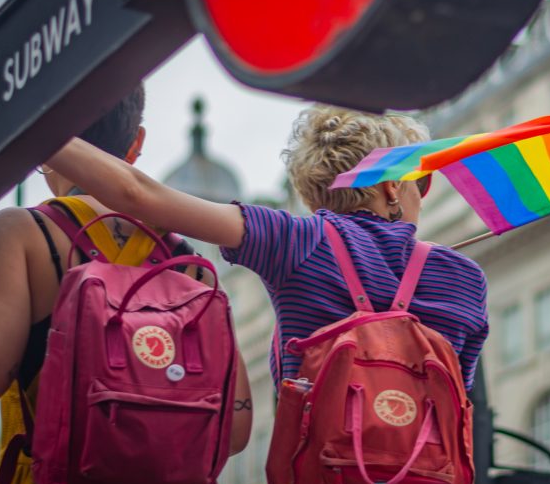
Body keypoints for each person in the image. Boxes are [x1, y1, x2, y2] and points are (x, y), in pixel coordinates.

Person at [0, 85, 252, 484]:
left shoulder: (21, 233)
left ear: (43, 147)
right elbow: (233, 432)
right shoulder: (192, 264)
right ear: (136, 144)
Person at [45, 105, 489, 393]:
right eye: (421, 181)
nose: (420, 195)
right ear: (392, 187)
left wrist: (32, 131)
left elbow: (137, 195)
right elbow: (461, 408)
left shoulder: (295, 239)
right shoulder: (467, 279)